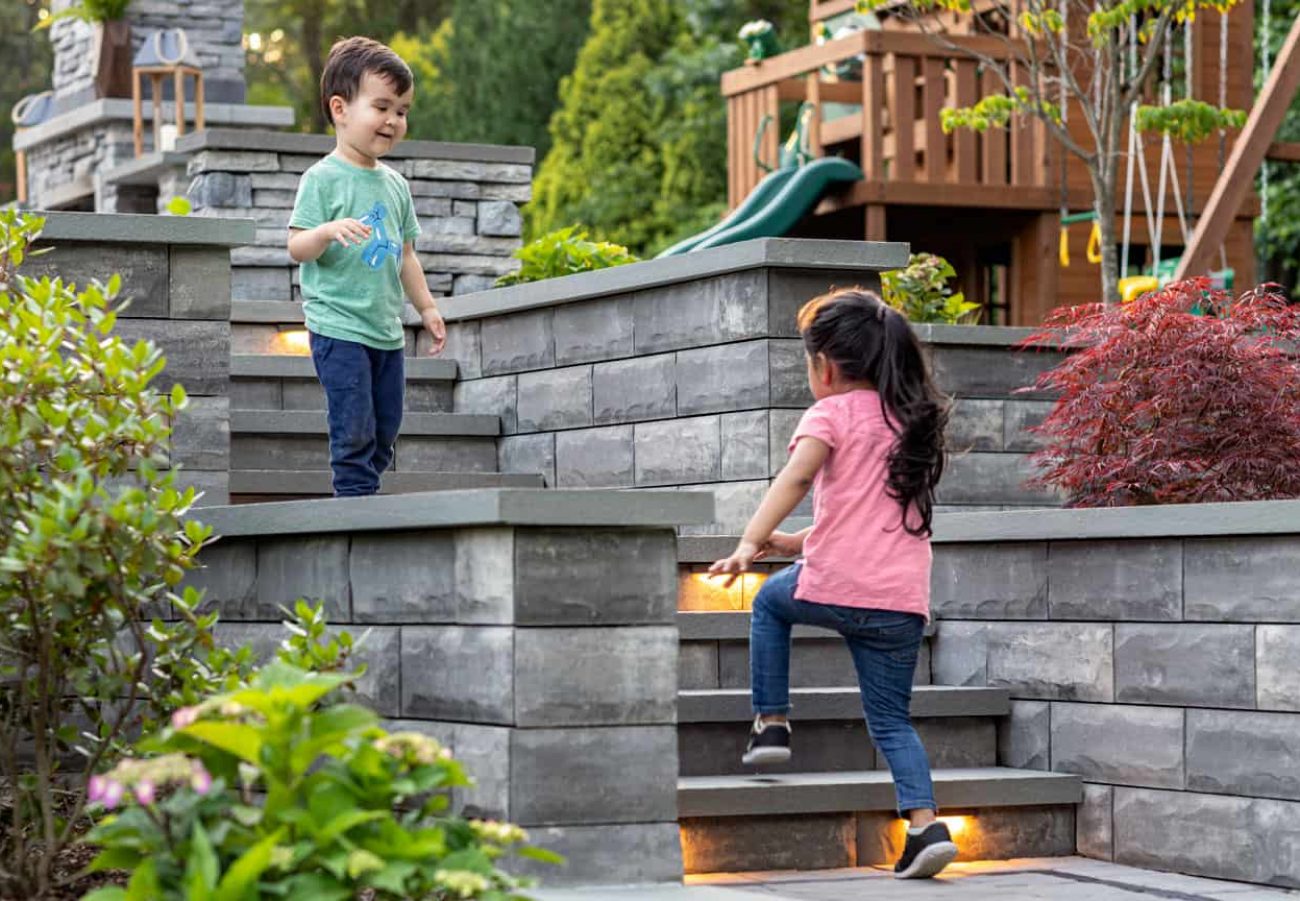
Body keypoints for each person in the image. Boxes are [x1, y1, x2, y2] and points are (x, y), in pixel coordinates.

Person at [710, 287, 957, 879]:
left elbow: (795, 481)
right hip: (899, 604)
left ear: (824, 365)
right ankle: (925, 828)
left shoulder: (830, 414)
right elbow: (862, 519)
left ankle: (770, 722)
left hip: (836, 588)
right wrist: (793, 544)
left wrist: (750, 542)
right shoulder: (909, 421)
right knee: (893, 723)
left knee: (770, 603)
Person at [288, 36, 447, 497]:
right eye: (382, 107)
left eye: (402, 110)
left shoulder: (396, 186)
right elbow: (296, 246)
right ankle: (354, 502)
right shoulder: (321, 179)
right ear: (340, 109)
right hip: (337, 326)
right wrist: (326, 231)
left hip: (386, 331)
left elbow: (405, 255)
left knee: (385, 428)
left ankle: (366, 487)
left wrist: (428, 309)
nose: (394, 120)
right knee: (354, 423)